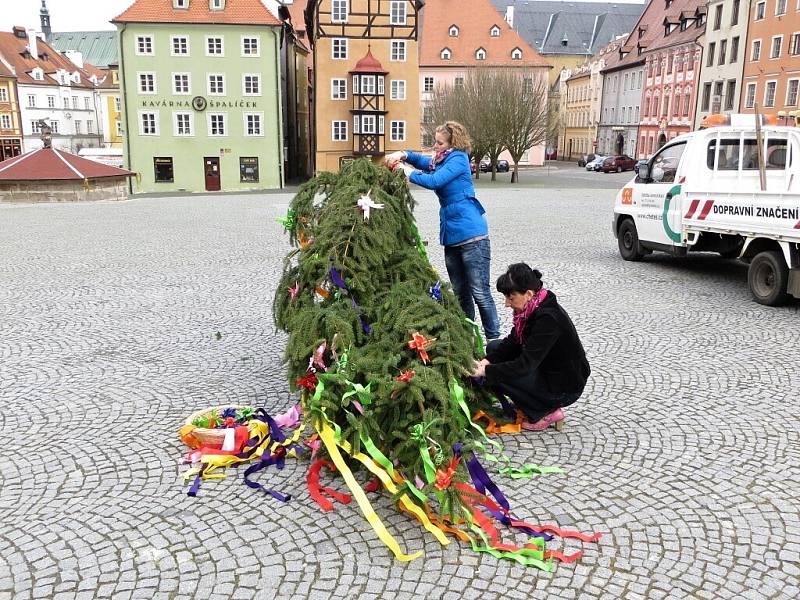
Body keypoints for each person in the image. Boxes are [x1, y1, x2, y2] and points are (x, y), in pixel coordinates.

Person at [384, 121, 500, 340]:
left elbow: (435, 180)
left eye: (439, 143)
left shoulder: (458, 159)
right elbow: (425, 162)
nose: (435, 146)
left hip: (472, 236)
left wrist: (405, 171)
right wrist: (404, 154)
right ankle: (468, 339)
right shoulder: (442, 159)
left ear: (452, 143)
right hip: (452, 237)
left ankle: (494, 341)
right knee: (460, 295)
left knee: (480, 293)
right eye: (435, 142)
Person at [471, 263, 590, 431]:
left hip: (564, 387)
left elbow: (524, 365)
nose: (506, 304)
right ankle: (534, 400)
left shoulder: (548, 319)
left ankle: (545, 410)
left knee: (501, 375)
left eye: (511, 298)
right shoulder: (533, 307)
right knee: (494, 348)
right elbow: (513, 341)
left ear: (528, 294)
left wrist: (486, 371)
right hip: (546, 369)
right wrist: (486, 361)